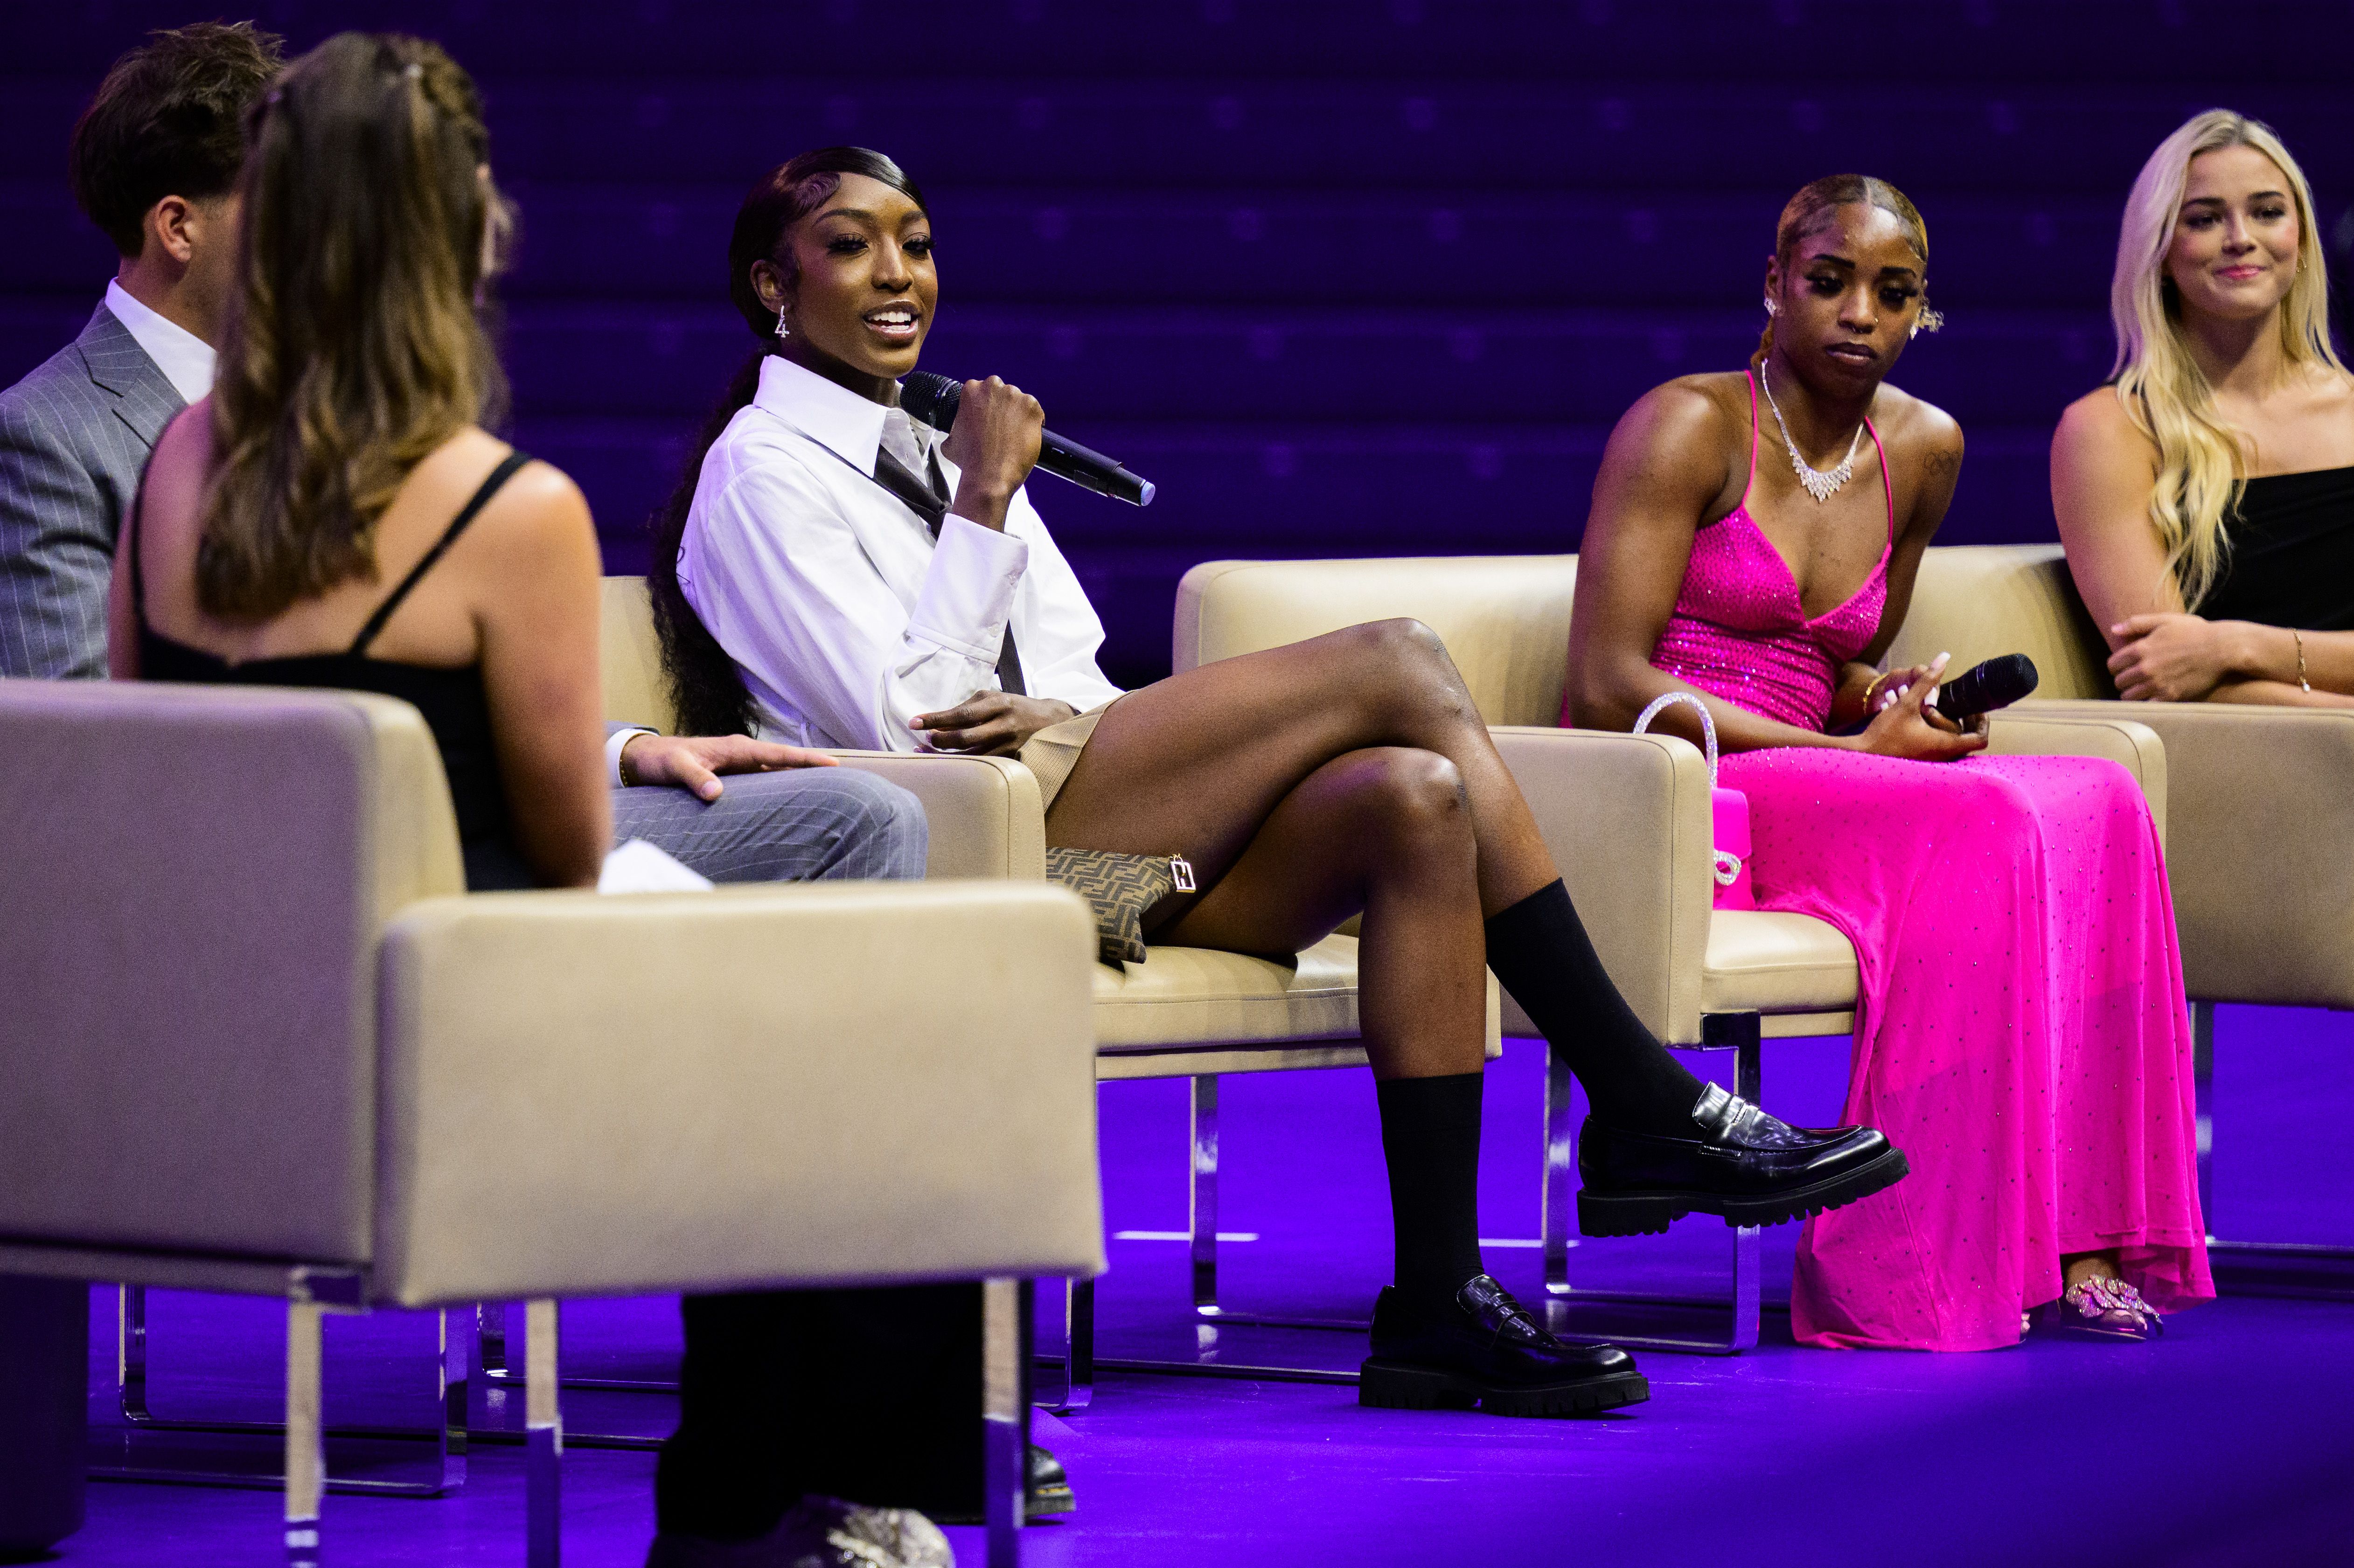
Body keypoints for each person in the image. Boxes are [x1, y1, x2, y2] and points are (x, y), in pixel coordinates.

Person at [651, 146, 1908, 1415]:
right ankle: (1636, 1095)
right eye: (853, 244)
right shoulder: (763, 472)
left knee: (1412, 799)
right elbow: (907, 730)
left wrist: (1038, 654)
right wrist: (986, 499)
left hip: (1070, 823)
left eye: (915, 242)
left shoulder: (929, 438)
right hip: (951, 848)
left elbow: (1076, 676)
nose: (899, 273)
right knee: (1398, 663)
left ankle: (1434, 1306)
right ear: (771, 284)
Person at [103, 36, 988, 1568]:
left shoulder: (178, 465)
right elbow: (570, 857)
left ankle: (781, 1492)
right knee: (863, 1017)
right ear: (452, 237)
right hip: (454, 1030)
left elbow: (151, 766)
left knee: (817, 919)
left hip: (227, 1031)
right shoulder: (505, 510)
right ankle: (773, 1503)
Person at [1564, 173, 2210, 1349]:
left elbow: (1837, 656)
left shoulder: (1921, 448)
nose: (1858, 312)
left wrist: (1896, 704)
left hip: (1827, 758)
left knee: (2097, 798)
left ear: (1921, 313)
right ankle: (1901, 1259)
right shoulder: (1686, 424)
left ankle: (2077, 1238)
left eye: (1891, 293)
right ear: (1772, 285)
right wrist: (1849, 744)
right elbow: (1605, 681)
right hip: (1695, 783)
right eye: (1827, 281)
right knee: (1976, 823)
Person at [2053, 111, 2354, 704]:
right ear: (2162, 250)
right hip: (2237, 766)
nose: (2240, 236)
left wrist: (2235, 646)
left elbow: (2205, 661)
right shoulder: (2109, 430)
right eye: (2206, 218)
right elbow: (2164, 677)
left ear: (2302, 242)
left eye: (2268, 212)